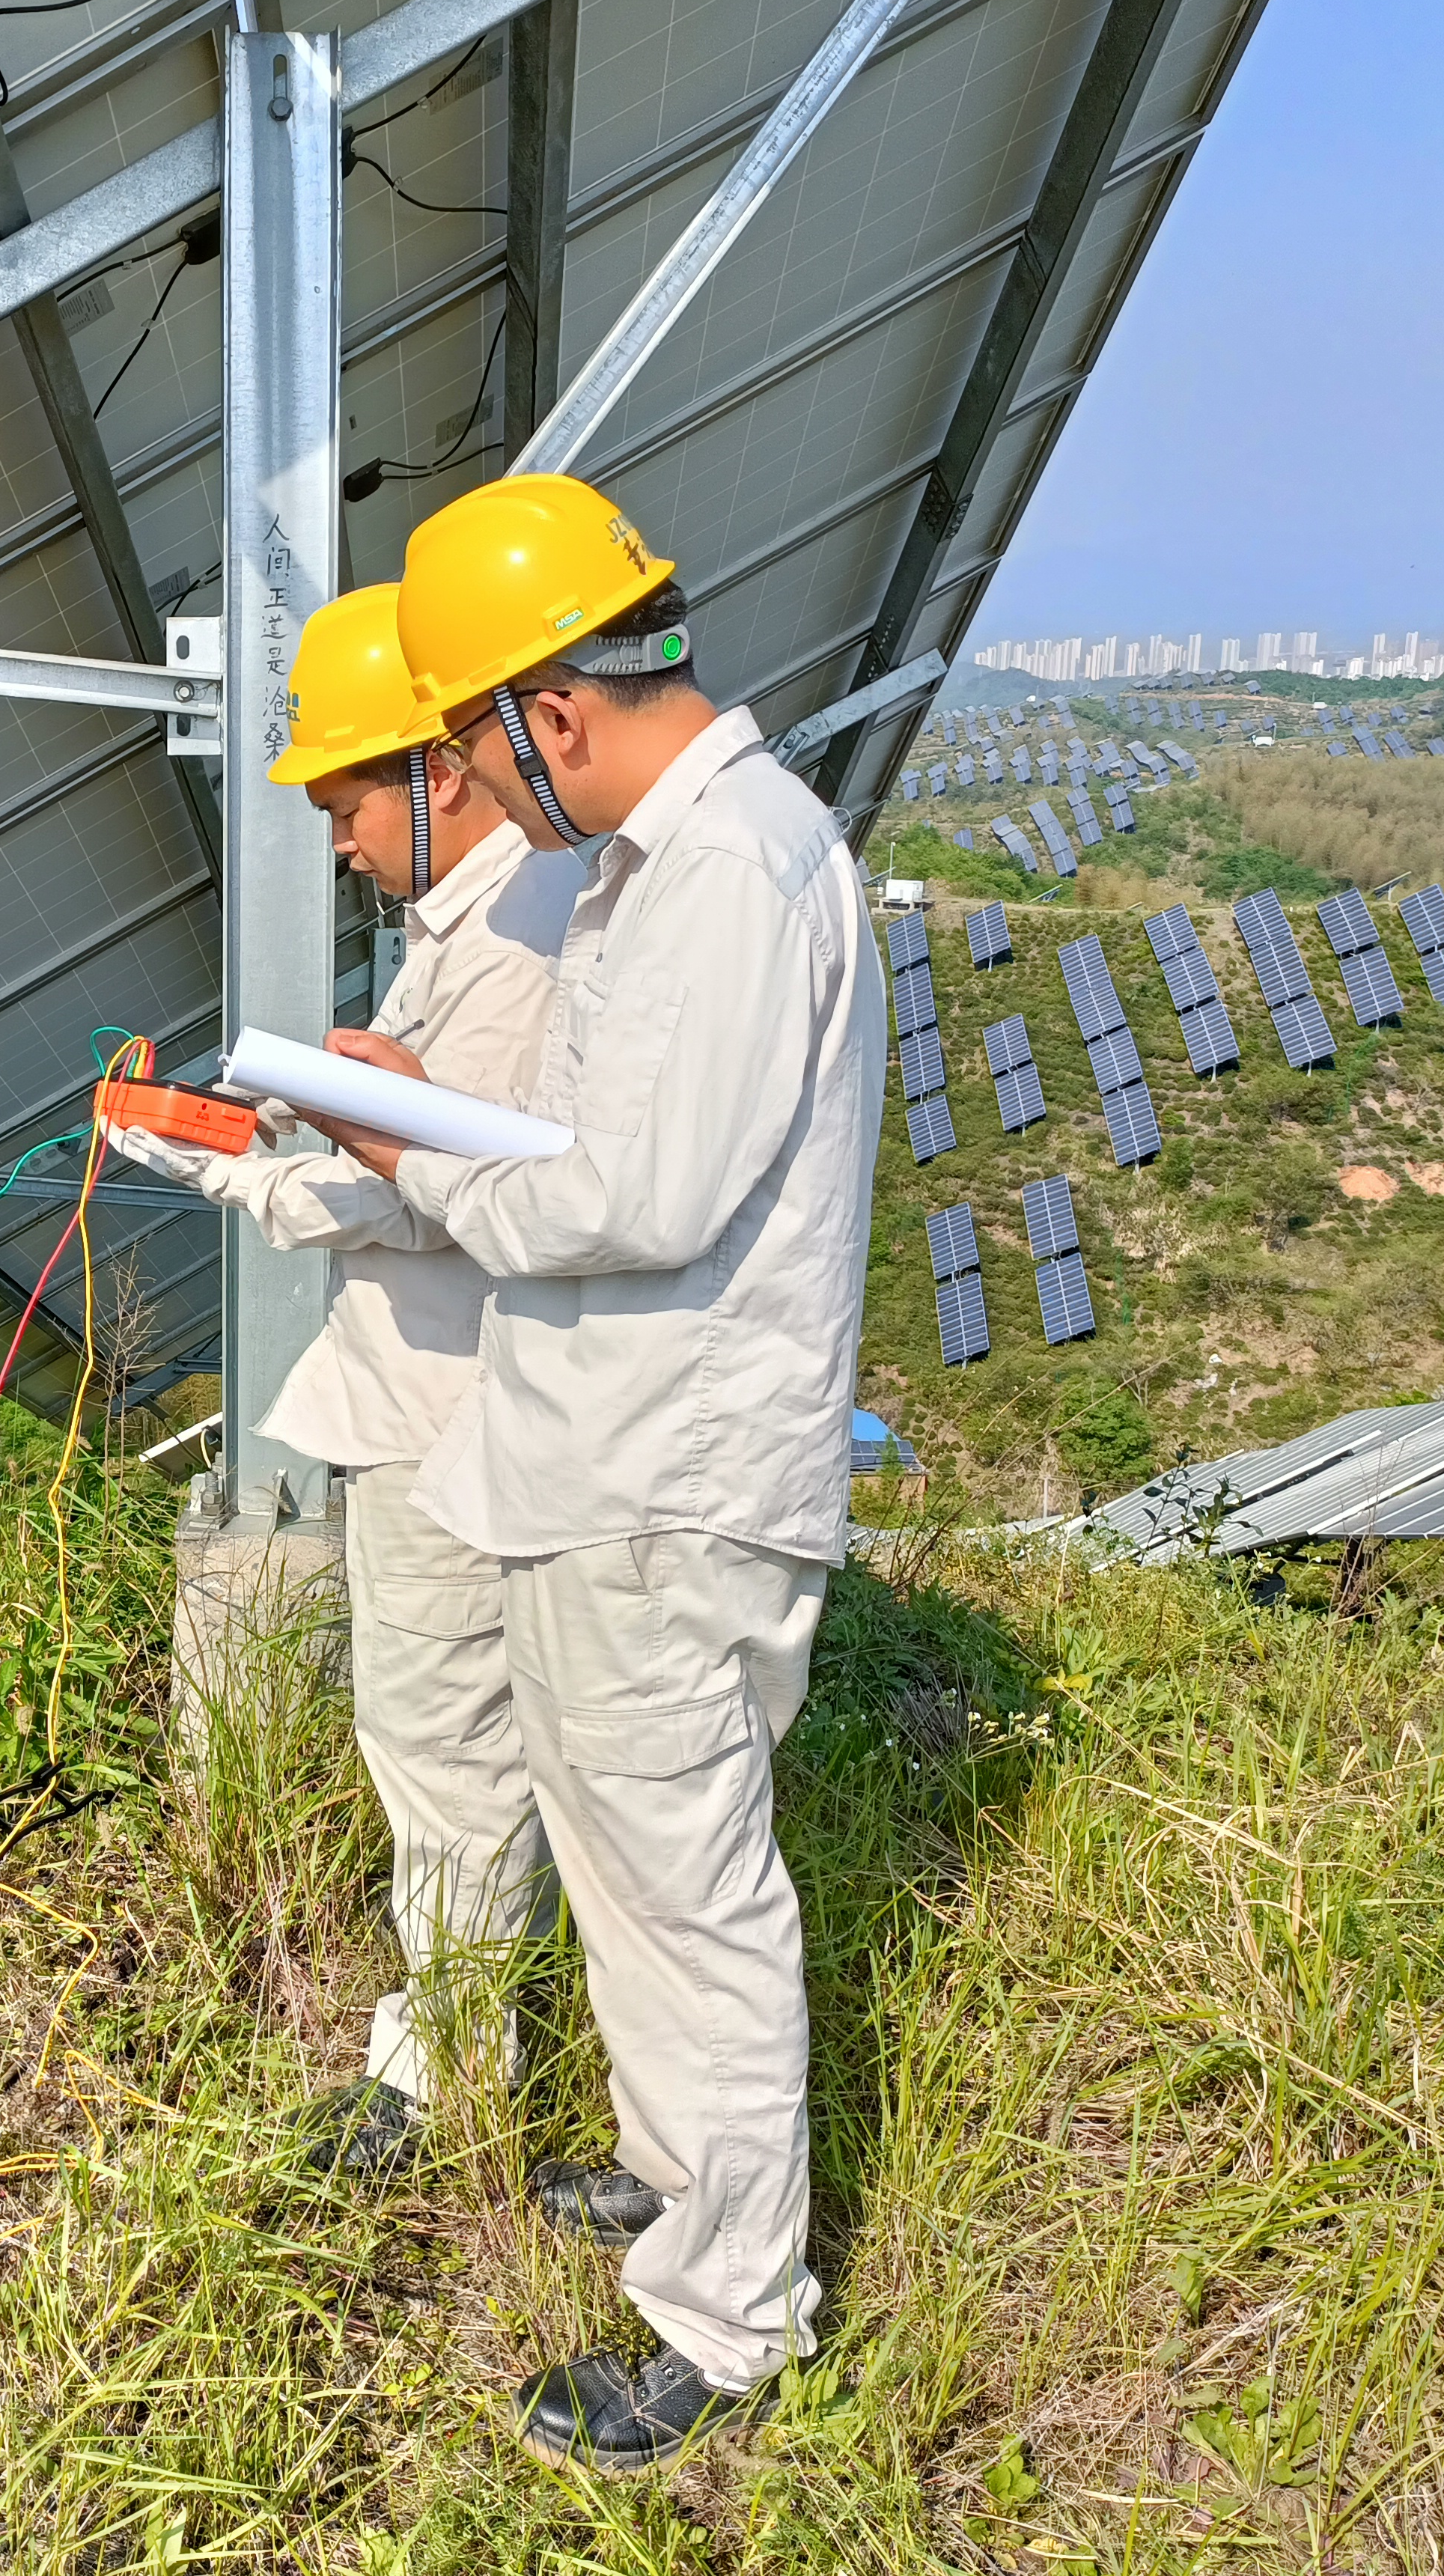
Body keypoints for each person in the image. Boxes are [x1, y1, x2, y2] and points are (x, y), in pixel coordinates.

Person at [301, 475, 882, 2469]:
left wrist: (398, 1142)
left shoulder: (735, 870)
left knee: (688, 1901)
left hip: (665, 1478)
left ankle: (724, 2322)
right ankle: (666, 2167)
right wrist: (420, 1110)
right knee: (632, 1879)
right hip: (598, 1463)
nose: (469, 788)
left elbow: (627, 1196)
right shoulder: (662, 869)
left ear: (550, 711)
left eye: (470, 748)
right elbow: (585, 1147)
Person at [108, 582, 582, 2175]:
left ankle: (439, 2090)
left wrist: (242, 1173)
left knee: (444, 1743)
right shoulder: (476, 924)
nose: (335, 844)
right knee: (442, 1740)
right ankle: (467, 2047)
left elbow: (445, 1190)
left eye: (344, 804)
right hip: (434, 1397)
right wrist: (263, 1135)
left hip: (455, 1413)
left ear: (438, 771)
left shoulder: (515, 940)